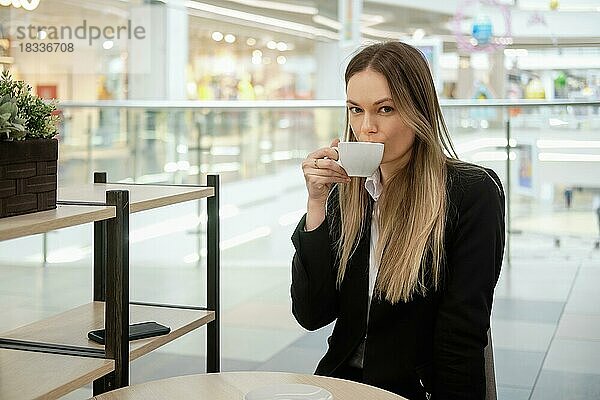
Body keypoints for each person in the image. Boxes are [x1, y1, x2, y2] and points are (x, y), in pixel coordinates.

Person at [290, 41, 505, 399]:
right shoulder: (349, 194)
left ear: (418, 110)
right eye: (355, 110)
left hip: (414, 390)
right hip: (339, 383)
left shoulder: (471, 193)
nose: (366, 127)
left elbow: (462, 335)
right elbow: (312, 314)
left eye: (385, 109)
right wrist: (316, 205)